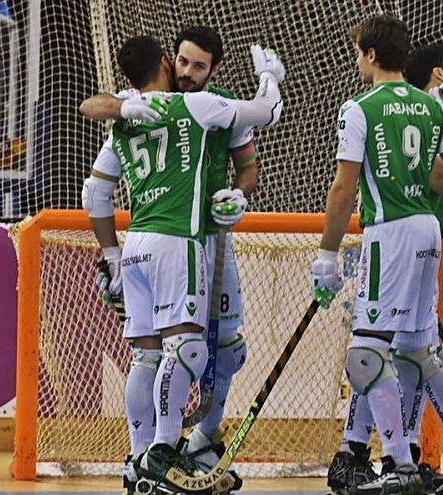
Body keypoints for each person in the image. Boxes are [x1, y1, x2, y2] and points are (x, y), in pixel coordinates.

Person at [312, 14, 443, 495]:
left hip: (392, 233)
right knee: (420, 350)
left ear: (372, 56)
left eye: (359, 52)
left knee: (366, 354)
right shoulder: (433, 107)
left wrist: (326, 254)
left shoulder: (359, 108)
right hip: (427, 230)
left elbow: (344, 188)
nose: (357, 60)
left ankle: (400, 465)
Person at [80, 34, 284, 492]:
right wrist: (271, 77)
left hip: (158, 243)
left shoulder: (139, 114)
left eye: (199, 65)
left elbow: (94, 192)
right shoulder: (177, 106)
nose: (188, 71)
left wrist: (239, 195)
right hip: (181, 242)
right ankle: (161, 453)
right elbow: (268, 110)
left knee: (183, 351)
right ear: (168, 63)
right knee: (185, 349)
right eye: (182, 62)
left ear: (213, 68)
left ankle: (170, 451)